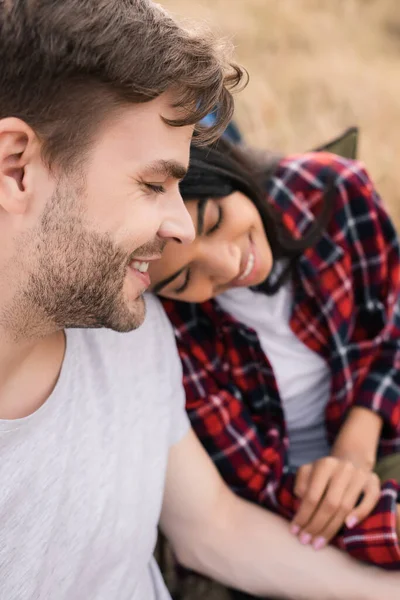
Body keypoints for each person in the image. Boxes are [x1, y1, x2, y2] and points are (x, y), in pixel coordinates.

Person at [1, 2, 400, 600]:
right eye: (153, 183)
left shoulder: (130, 331)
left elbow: (216, 527)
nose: (181, 229)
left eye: (184, 189)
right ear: (17, 167)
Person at [149, 136, 400, 587]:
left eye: (214, 221)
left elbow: (393, 330)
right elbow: (254, 483)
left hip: (379, 438)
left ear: (227, 176)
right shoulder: (168, 326)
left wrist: (354, 451)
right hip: (279, 502)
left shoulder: (334, 189)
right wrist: (386, 525)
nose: (227, 265)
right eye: (186, 278)